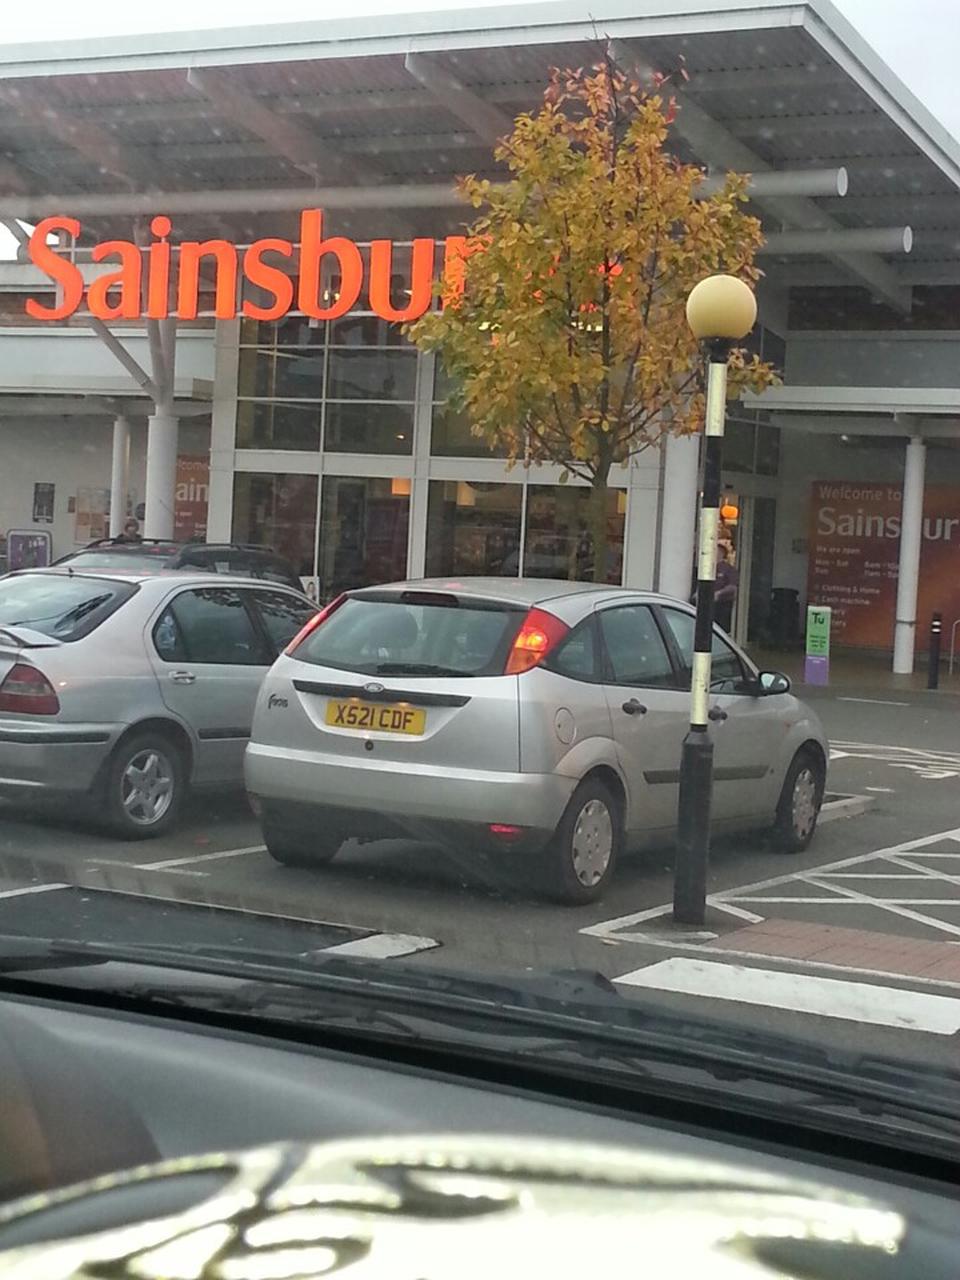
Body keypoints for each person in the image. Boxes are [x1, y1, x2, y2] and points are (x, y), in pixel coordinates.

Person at [714, 542, 739, 633]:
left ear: (721, 553)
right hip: (708, 604)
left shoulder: (728, 569)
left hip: (722, 605)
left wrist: (719, 593)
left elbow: (733, 587)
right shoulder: (708, 568)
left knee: (720, 629)